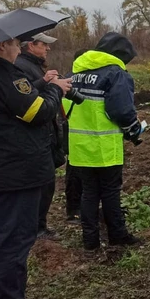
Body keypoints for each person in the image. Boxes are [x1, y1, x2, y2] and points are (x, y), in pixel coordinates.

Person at [0, 36, 72, 299]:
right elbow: (37, 112)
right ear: (1, 46)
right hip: (16, 171)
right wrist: (55, 90)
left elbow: (12, 103)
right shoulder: (4, 74)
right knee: (13, 238)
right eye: (13, 42)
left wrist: (40, 86)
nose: (18, 47)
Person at [68, 32, 143, 251]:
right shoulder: (115, 74)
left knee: (89, 192)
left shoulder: (75, 71)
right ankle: (118, 236)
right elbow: (121, 110)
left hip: (80, 145)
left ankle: (90, 241)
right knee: (110, 191)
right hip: (105, 145)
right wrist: (134, 130)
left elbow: (64, 105)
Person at [13, 33, 65, 240]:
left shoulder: (31, 65)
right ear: (30, 46)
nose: (48, 48)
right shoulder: (20, 66)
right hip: (35, 134)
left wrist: (46, 80)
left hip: (44, 133)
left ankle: (38, 226)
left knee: (47, 182)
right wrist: (49, 84)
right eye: (44, 44)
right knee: (41, 184)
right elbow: (25, 100)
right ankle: (37, 229)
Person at [61, 48, 90, 224]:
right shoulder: (73, 79)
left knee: (77, 171)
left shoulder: (71, 76)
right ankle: (73, 210)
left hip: (74, 129)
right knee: (74, 172)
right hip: (74, 130)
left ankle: (78, 207)